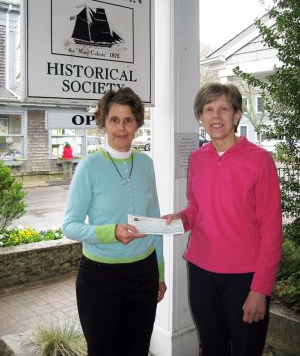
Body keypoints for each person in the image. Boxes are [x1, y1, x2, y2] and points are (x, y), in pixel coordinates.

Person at [164, 83, 282, 356]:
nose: (216, 117)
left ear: (237, 114)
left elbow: (272, 230)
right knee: (212, 347)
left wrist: (260, 289)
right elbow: (196, 208)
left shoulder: (260, 160)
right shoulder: (197, 158)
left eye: (223, 109)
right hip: (202, 272)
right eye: (208, 110)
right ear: (201, 117)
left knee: (246, 348)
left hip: (244, 277)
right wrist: (180, 219)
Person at [63, 87, 167, 356]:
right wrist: (112, 232)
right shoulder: (89, 166)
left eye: (128, 120)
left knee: (137, 349)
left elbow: (153, 220)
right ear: (103, 123)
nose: (122, 128)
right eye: (114, 120)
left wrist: (160, 274)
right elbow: (70, 226)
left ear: (137, 124)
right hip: (100, 277)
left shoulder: (146, 163)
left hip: (144, 274)